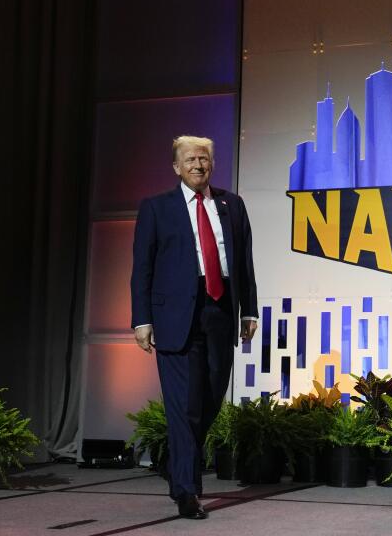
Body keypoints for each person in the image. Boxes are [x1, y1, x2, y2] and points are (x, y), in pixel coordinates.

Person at [130, 136, 258, 519]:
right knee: (185, 406)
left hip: (219, 311)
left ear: (212, 164)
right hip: (174, 318)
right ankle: (187, 490)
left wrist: (248, 312)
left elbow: (244, 263)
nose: (198, 165)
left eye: (204, 159)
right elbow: (143, 269)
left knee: (210, 398)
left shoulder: (231, 205)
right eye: (190, 159)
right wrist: (142, 319)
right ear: (176, 167)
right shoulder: (156, 208)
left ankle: (178, 464)